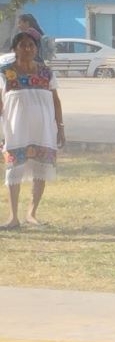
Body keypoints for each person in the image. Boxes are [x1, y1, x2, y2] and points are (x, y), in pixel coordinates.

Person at [1, 31, 65, 229]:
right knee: (14, 170)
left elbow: (56, 101)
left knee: (41, 169)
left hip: (43, 130)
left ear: (36, 48)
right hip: (15, 129)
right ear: (15, 49)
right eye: (22, 45)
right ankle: (13, 217)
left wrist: (60, 127)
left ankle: (32, 213)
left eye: (31, 45)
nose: (27, 49)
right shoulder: (5, 73)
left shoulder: (46, 73)